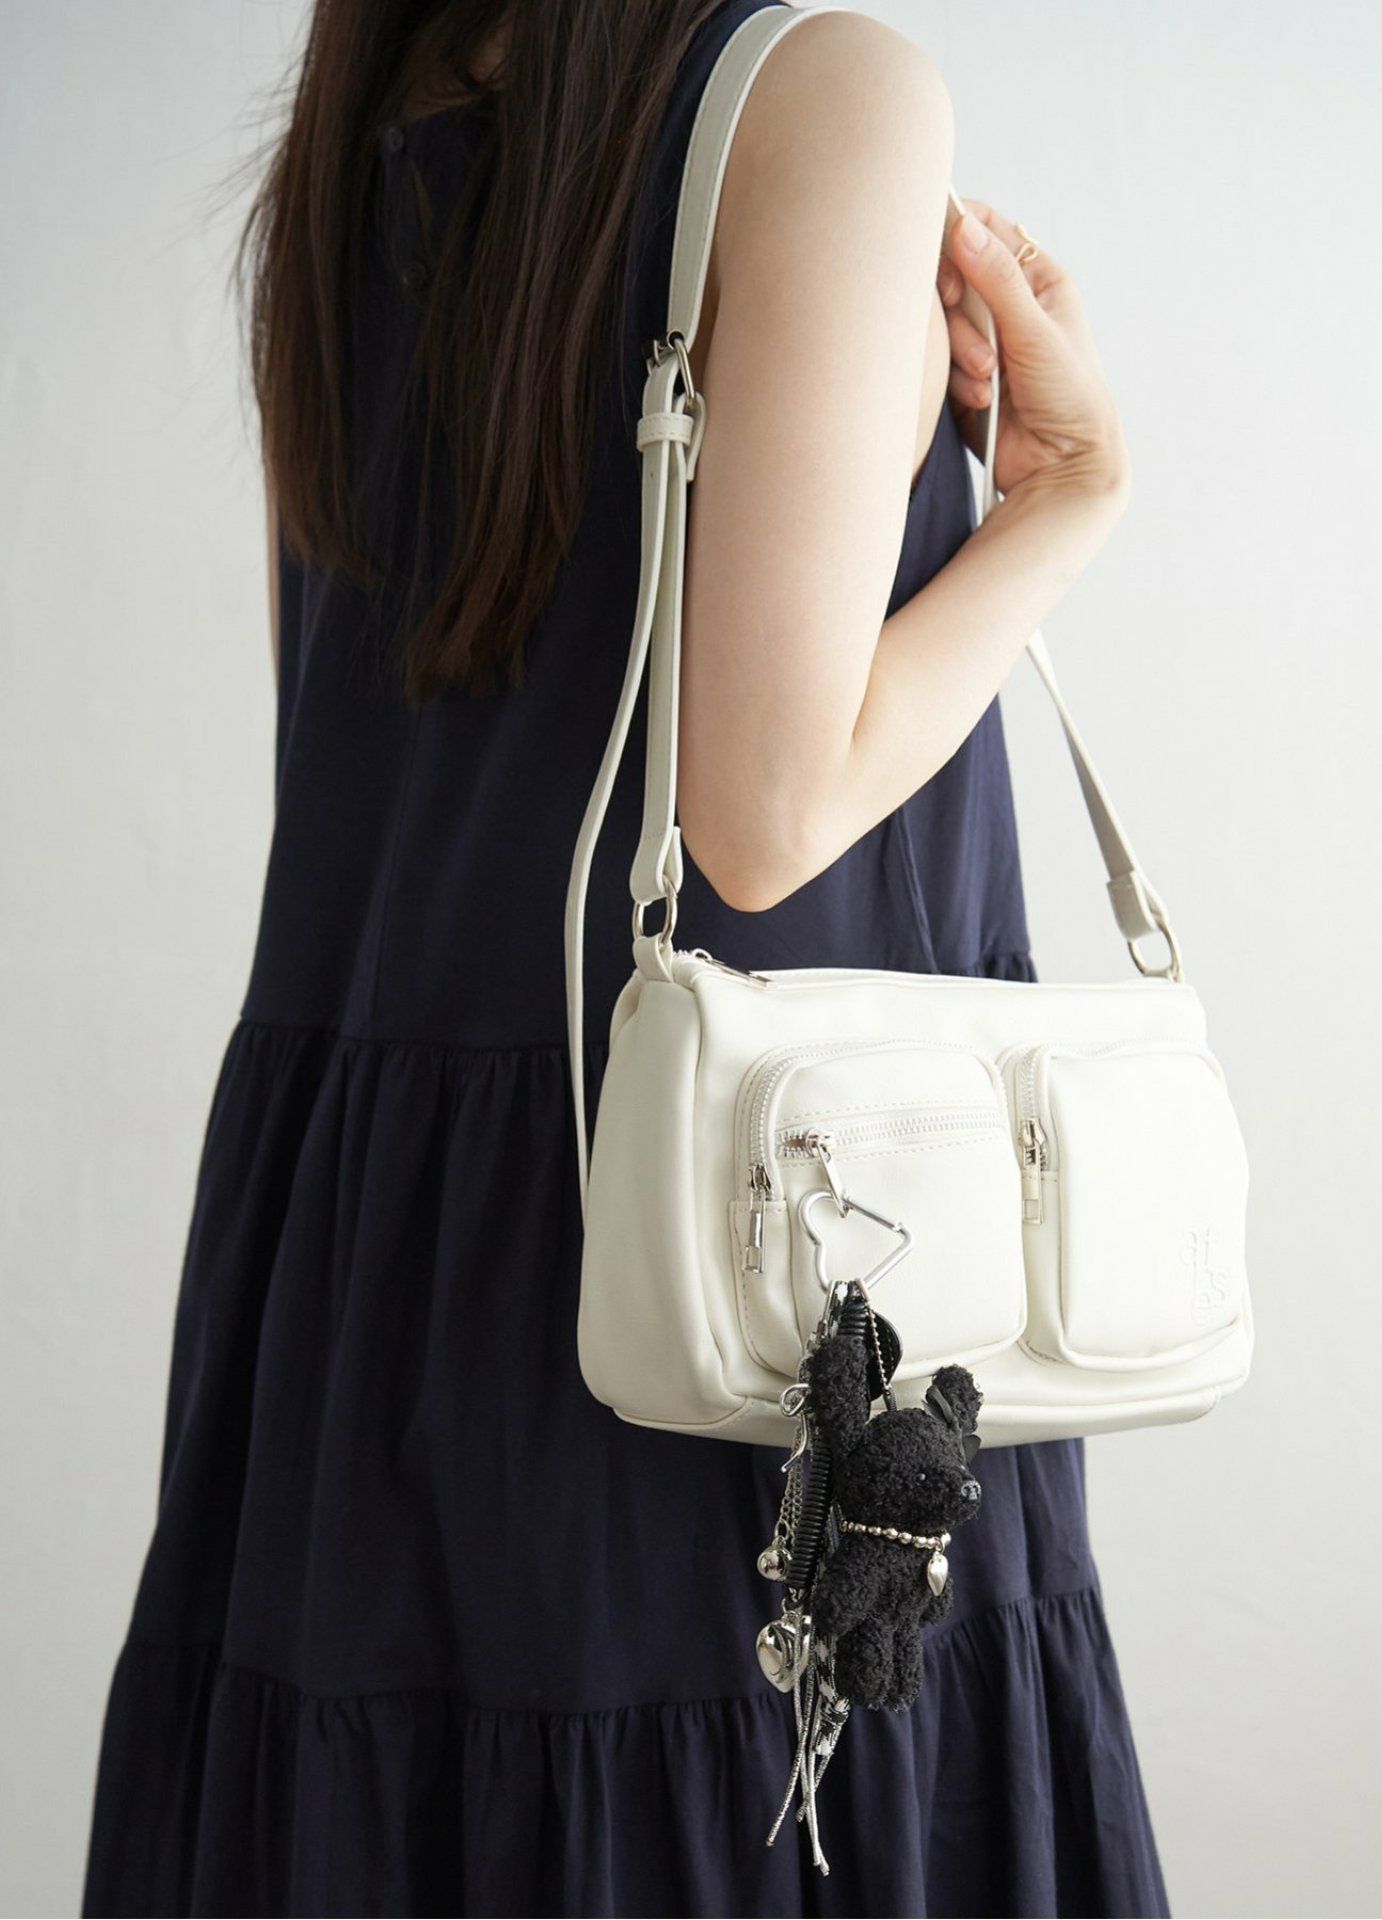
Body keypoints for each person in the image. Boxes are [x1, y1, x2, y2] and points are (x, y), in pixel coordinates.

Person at [84, 2, 1166, 1913]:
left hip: (368, 1275)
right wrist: (1067, 494)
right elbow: (769, 806)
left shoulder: (366, 131)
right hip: (732, 1282)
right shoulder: (816, 96)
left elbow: (354, 759)